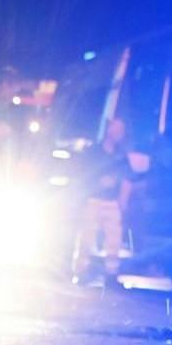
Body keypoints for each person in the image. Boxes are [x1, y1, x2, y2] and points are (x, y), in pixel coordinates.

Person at [71, 117, 133, 286]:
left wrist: (123, 201)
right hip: (94, 200)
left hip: (112, 203)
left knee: (114, 241)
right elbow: (83, 175)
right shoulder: (93, 152)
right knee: (86, 238)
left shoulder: (121, 155)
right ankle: (81, 272)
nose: (120, 134)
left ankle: (111, 274)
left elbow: (128, 179)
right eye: (117, 129)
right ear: (109, 130)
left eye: (122, 130)